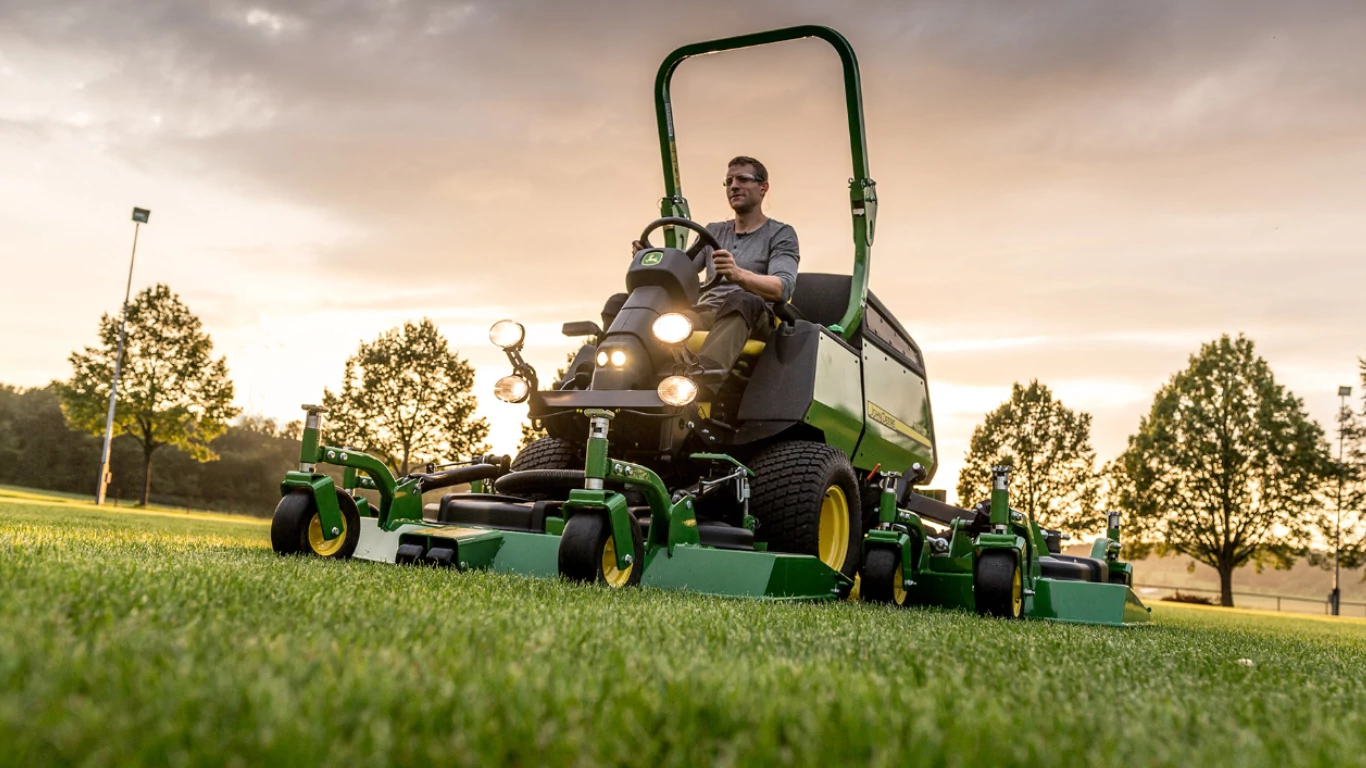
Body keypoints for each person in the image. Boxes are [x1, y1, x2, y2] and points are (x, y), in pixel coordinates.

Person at [623, 155, 800, 373]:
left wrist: (738, 274)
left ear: (763, 187)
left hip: (753, 317)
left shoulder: (781, 234)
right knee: (650, 313)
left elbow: (782, 288)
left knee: (741, 299)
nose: (734, 186)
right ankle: (618, 372)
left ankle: (704, 379)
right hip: (706, 312)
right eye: (729, 181)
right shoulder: (713, 231)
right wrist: (651, 259)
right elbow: (682, 270)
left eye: (743, 179)